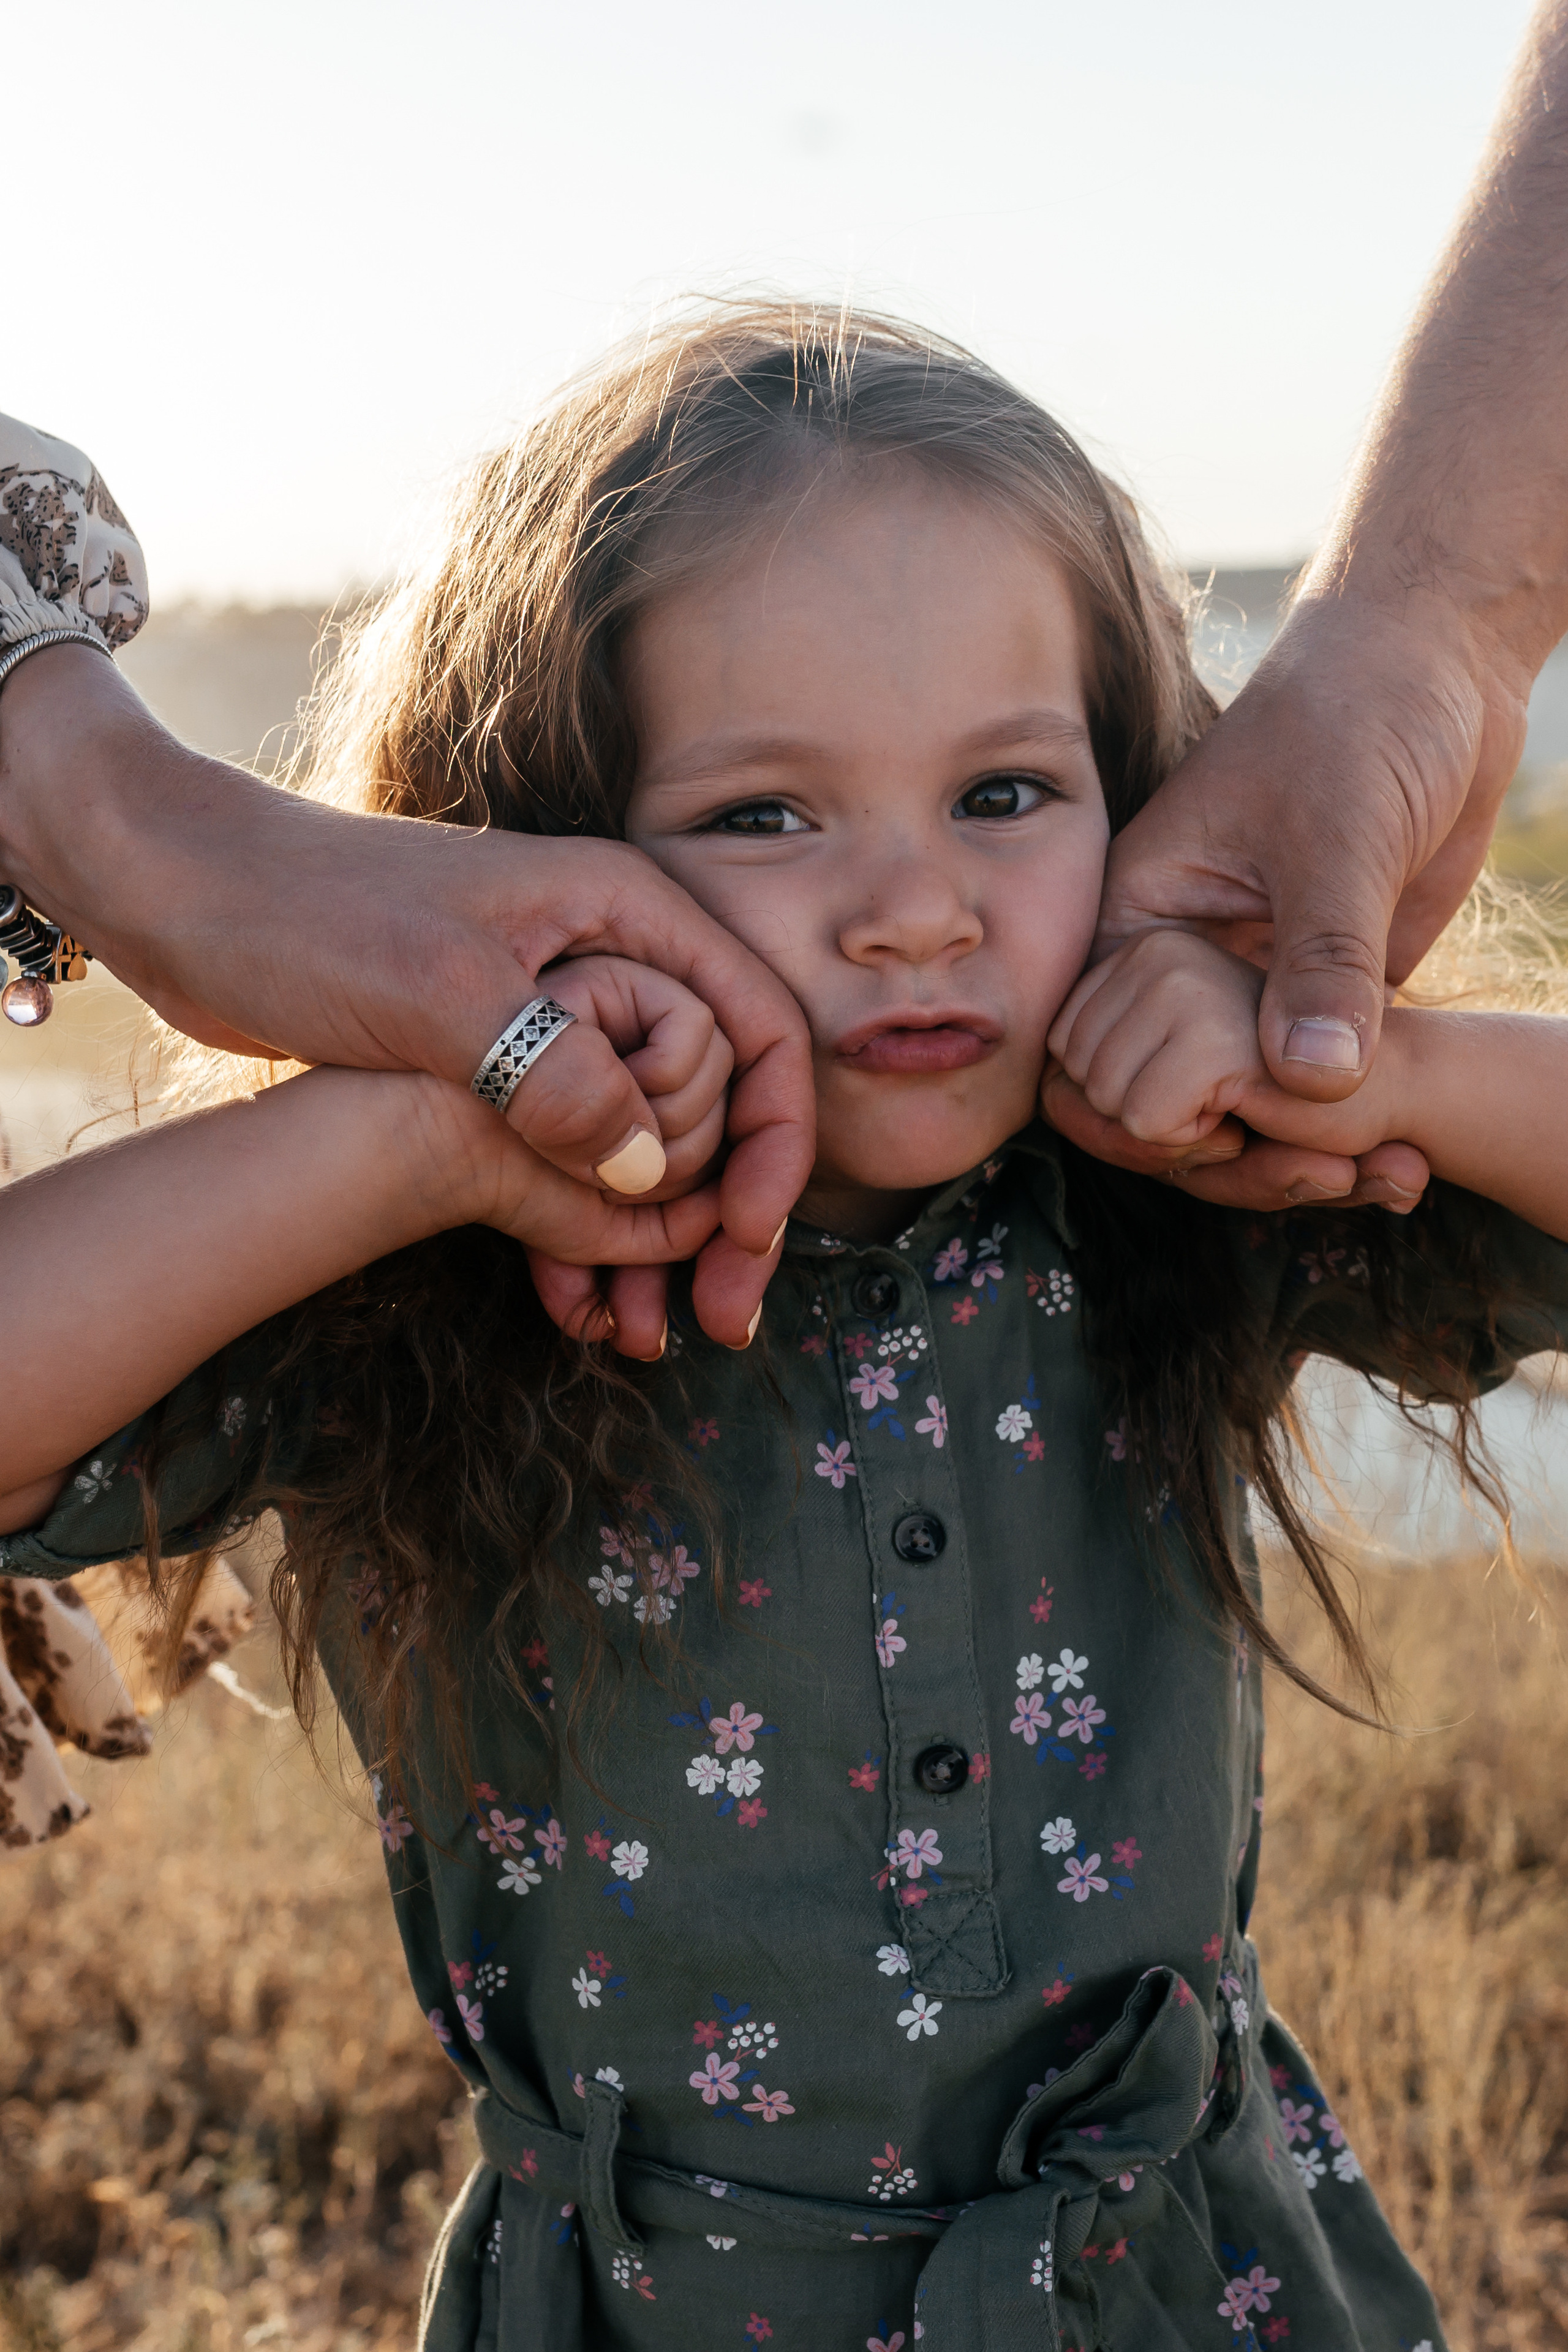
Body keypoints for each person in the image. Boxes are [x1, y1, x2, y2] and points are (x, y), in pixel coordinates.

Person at [2, 306, 1563, 2350]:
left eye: (1008, 791)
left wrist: (1383, 1072)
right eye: (765, 815)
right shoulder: (428, 1283)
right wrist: (415, 1137)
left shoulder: (1177, 1206)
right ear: (537, 842)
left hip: (1191, 2293)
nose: (916, 909)